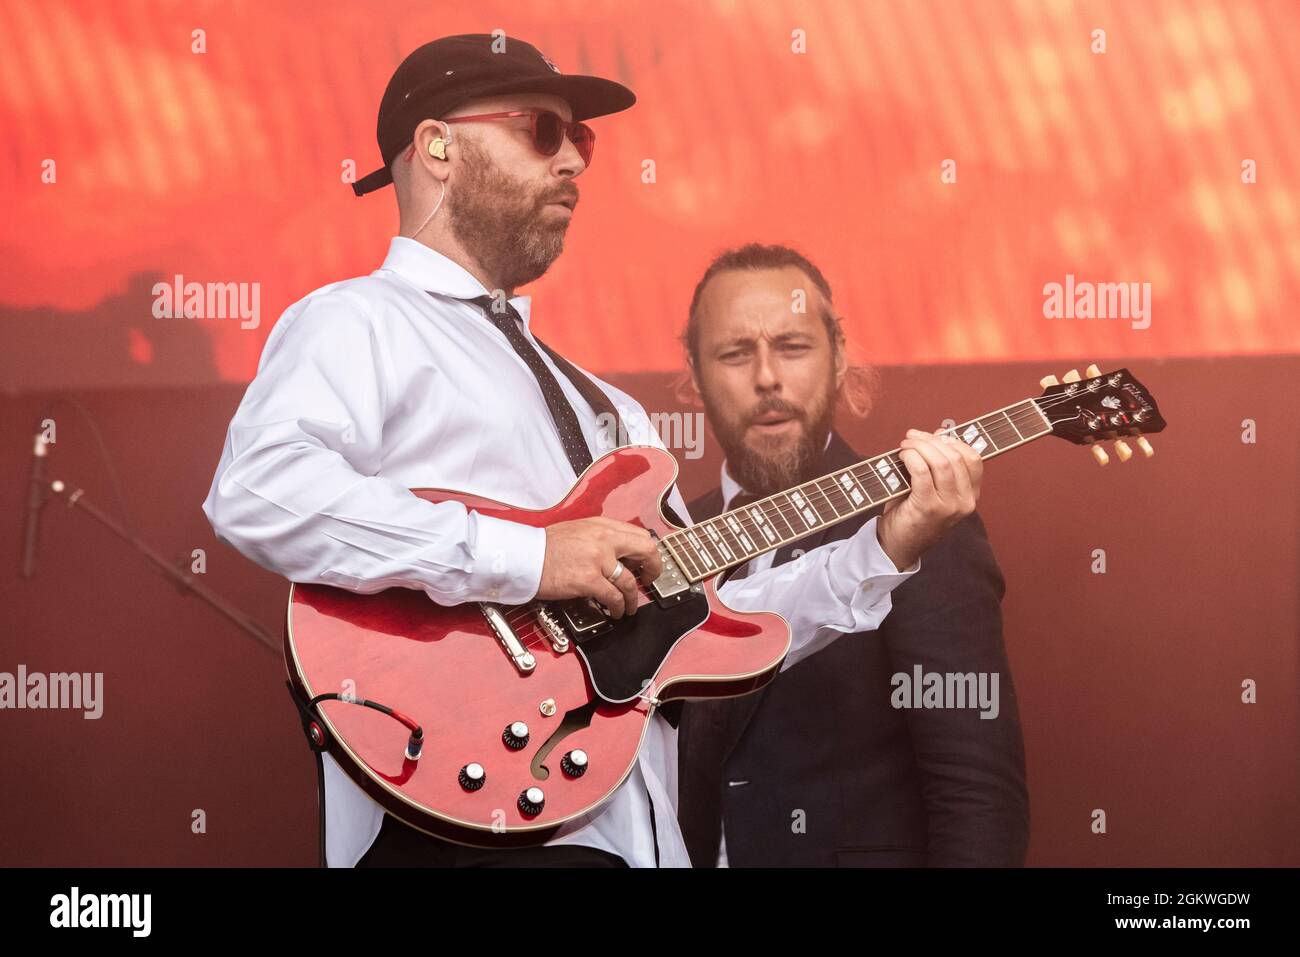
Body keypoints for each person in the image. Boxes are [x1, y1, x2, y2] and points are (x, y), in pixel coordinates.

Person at [202, 34, 980, 867]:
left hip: (630, 833)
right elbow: (259, 489)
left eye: (585, 141)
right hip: (456, 824)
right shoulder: (356, 322)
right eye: (543, 130)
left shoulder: (607, 408)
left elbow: (712, 617)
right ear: (437, 147)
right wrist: (532, 558)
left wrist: (884, 547)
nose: (573, 160)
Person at [675, 243, 1029, 866]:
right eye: (734, 353)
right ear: (695, 375)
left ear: (839, 360)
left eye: (793, 346)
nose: (766, 378)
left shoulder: (918, 520)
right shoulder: (674, 539)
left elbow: (976, 794)